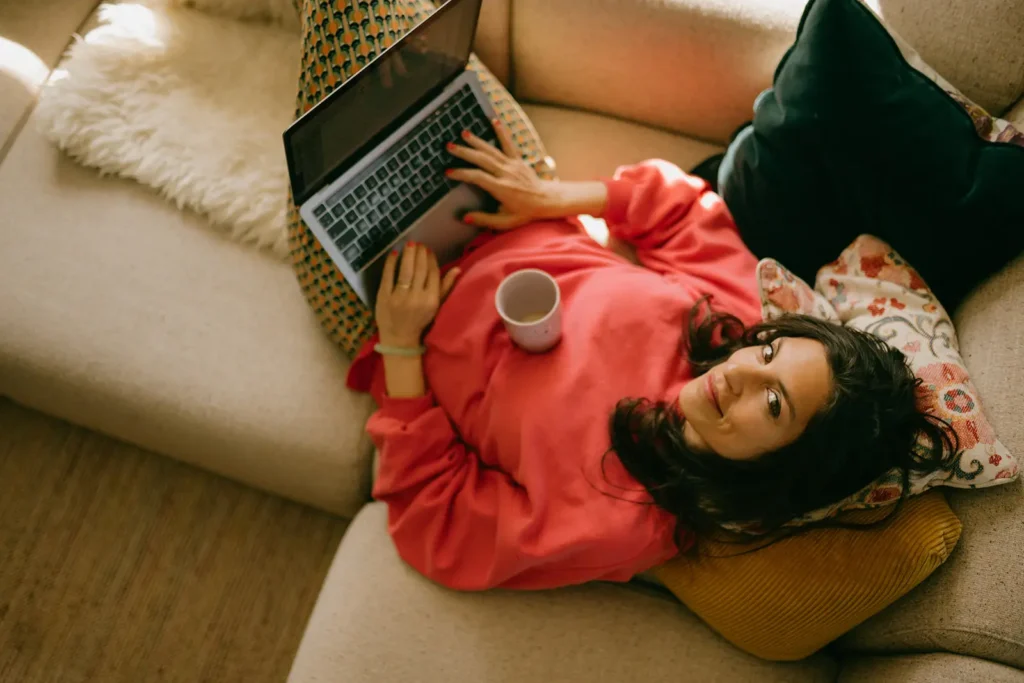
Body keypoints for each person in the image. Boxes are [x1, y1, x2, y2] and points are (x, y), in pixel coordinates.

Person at [345, 120, 956, 591]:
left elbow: (439, 523)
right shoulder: (733, 325)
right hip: (506, 201)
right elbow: (680, 208)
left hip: (387, 301)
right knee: (413, 45)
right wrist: (549, 195)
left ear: (785, 467)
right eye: (769, 351)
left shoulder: (621, 522)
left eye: (773, 404)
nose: (741, 371)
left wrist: (401, 344)